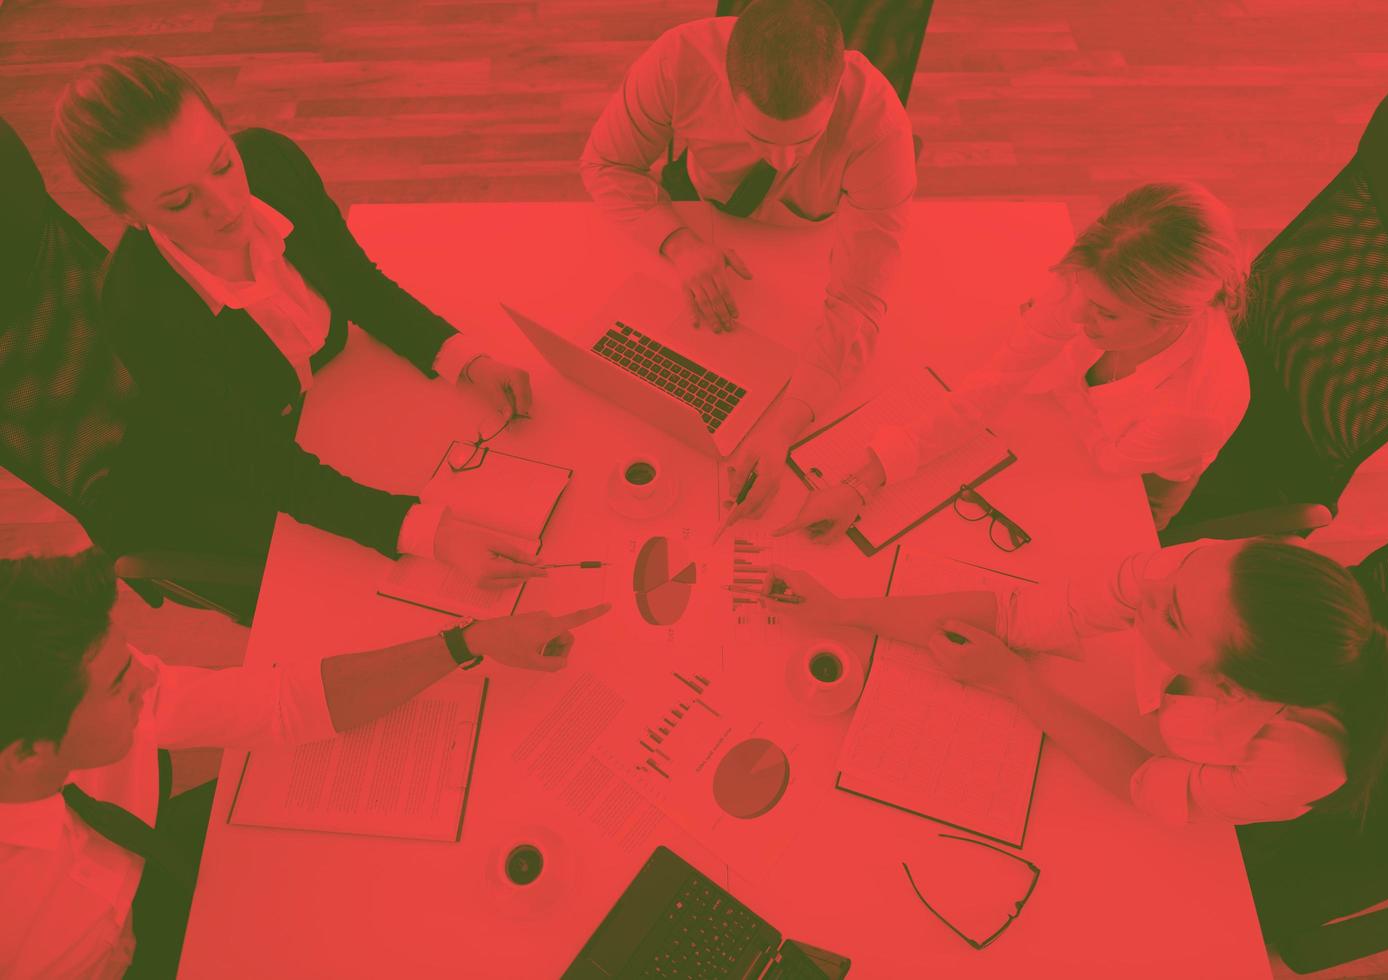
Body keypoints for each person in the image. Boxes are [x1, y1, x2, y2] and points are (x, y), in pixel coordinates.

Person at [52, 54, 543, 609]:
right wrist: (434, 535)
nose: (226, 204)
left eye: (222, 164)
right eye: (181, 201)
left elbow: (354, 280)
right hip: (245, 460)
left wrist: (466, 359)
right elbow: (265, 466)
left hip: (332, 403)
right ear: (130, 214)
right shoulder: (138, 306)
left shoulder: (272, 162)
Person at [0, 549, 610, 977]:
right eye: (116, 685)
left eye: (127, 655)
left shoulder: (82, 703)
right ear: (26, 754)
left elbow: (281, 704)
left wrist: (469, 642)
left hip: (154, 872)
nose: (145, 679)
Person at [750, 538, 1388, 826]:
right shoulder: (1203, 577)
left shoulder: (1297, 764)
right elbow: (1021, 613)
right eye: (1184, 569)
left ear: (1232, 689)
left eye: (1171, 614)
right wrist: (845, 609)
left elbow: (1146, 784)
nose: (1150, 585)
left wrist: (1016, 683)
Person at [580, 0, 917, 524]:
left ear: (836, 91)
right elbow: (605, 162)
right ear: (725, 84)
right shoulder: (678, 60)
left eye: (805, 141)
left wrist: (783, 428)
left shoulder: (880, 123)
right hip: (702, 219)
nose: (783, 161)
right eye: (760, 137)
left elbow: (859, 298)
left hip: (813, 245)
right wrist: (679, 244)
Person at [779, 182, 1251, 539]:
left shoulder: (1196, 410)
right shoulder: (1092, 279)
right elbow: (995, 383)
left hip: (1134, 492)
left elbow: (1108, 461)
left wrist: (1051, 373)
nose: (1079, 315)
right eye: (1082, 295)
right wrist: (864, 482)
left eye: (1105, 313)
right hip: (1072, 435)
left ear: (1167, 320)